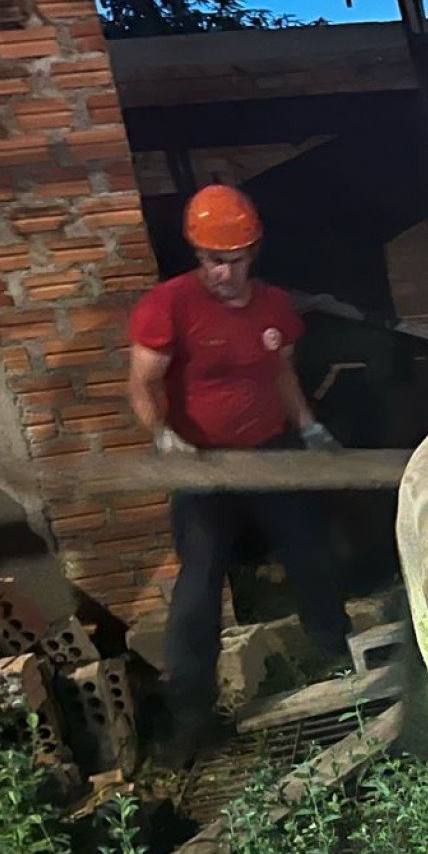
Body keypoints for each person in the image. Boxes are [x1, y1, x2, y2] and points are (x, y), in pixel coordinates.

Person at [126, 183, 351, 764]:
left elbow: (282, 376)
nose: (221, 272)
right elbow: (144, 382)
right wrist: (163, 435)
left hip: (270, 450)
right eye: (209, 260)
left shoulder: (274, 307)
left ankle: (333, 655)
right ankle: (191, 712)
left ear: (252, 253)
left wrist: (310, 427)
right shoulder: (169, 305)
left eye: (231, 260)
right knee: (199, 579)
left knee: (310, 550)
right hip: (204, 464)